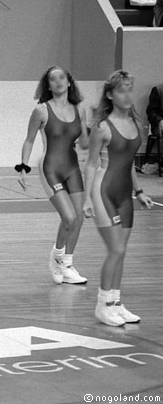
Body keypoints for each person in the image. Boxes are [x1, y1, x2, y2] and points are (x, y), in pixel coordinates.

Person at [83, 70, 153, 326]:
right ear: (110, 95)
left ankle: (116, 302)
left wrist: (140, 191)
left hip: (125, 194)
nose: (127, 95)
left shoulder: (135, 123)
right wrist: (88, 199)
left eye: (129, 89)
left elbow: (130, 164)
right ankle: (103, 305)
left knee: (122, 252)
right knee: (116, 249)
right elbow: (91, 165)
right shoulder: (101, 127)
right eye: (121, 90)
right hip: (104, 192)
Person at [18, 66, 90, 285]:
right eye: (52, 79)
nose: (58, 81)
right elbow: (29, 140)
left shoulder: (80, 109)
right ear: (48, 85)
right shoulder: (41, 110)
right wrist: (22, 167)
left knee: (78, 218)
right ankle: (57, 257)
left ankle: (67, 265)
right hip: (50, 168)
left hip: (72, 167)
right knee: (68, 217)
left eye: (61, 77)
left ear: (69, 82)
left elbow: (85, 141)